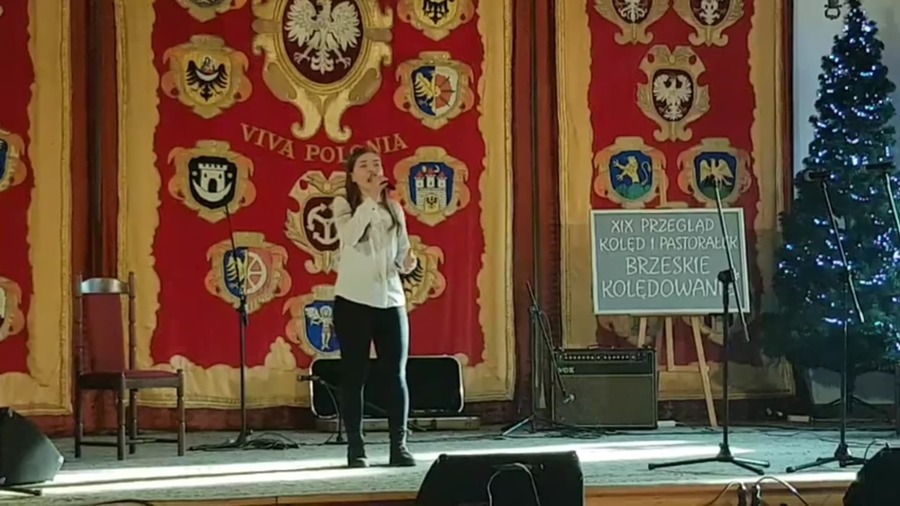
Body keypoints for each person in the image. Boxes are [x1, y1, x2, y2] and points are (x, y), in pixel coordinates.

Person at [331, 147, 417, 468]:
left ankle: (399, 446)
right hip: (354, 301)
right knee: (354, 375)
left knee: (396, 375)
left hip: (391, 300)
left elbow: (403, 253)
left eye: (376, 164)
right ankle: (356, 447)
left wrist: (408, 262)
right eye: (364, 166)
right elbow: (350, 237)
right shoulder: (344, 205)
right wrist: (368, 199)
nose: (372, 170)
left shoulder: (393, 209)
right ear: (353, 176)